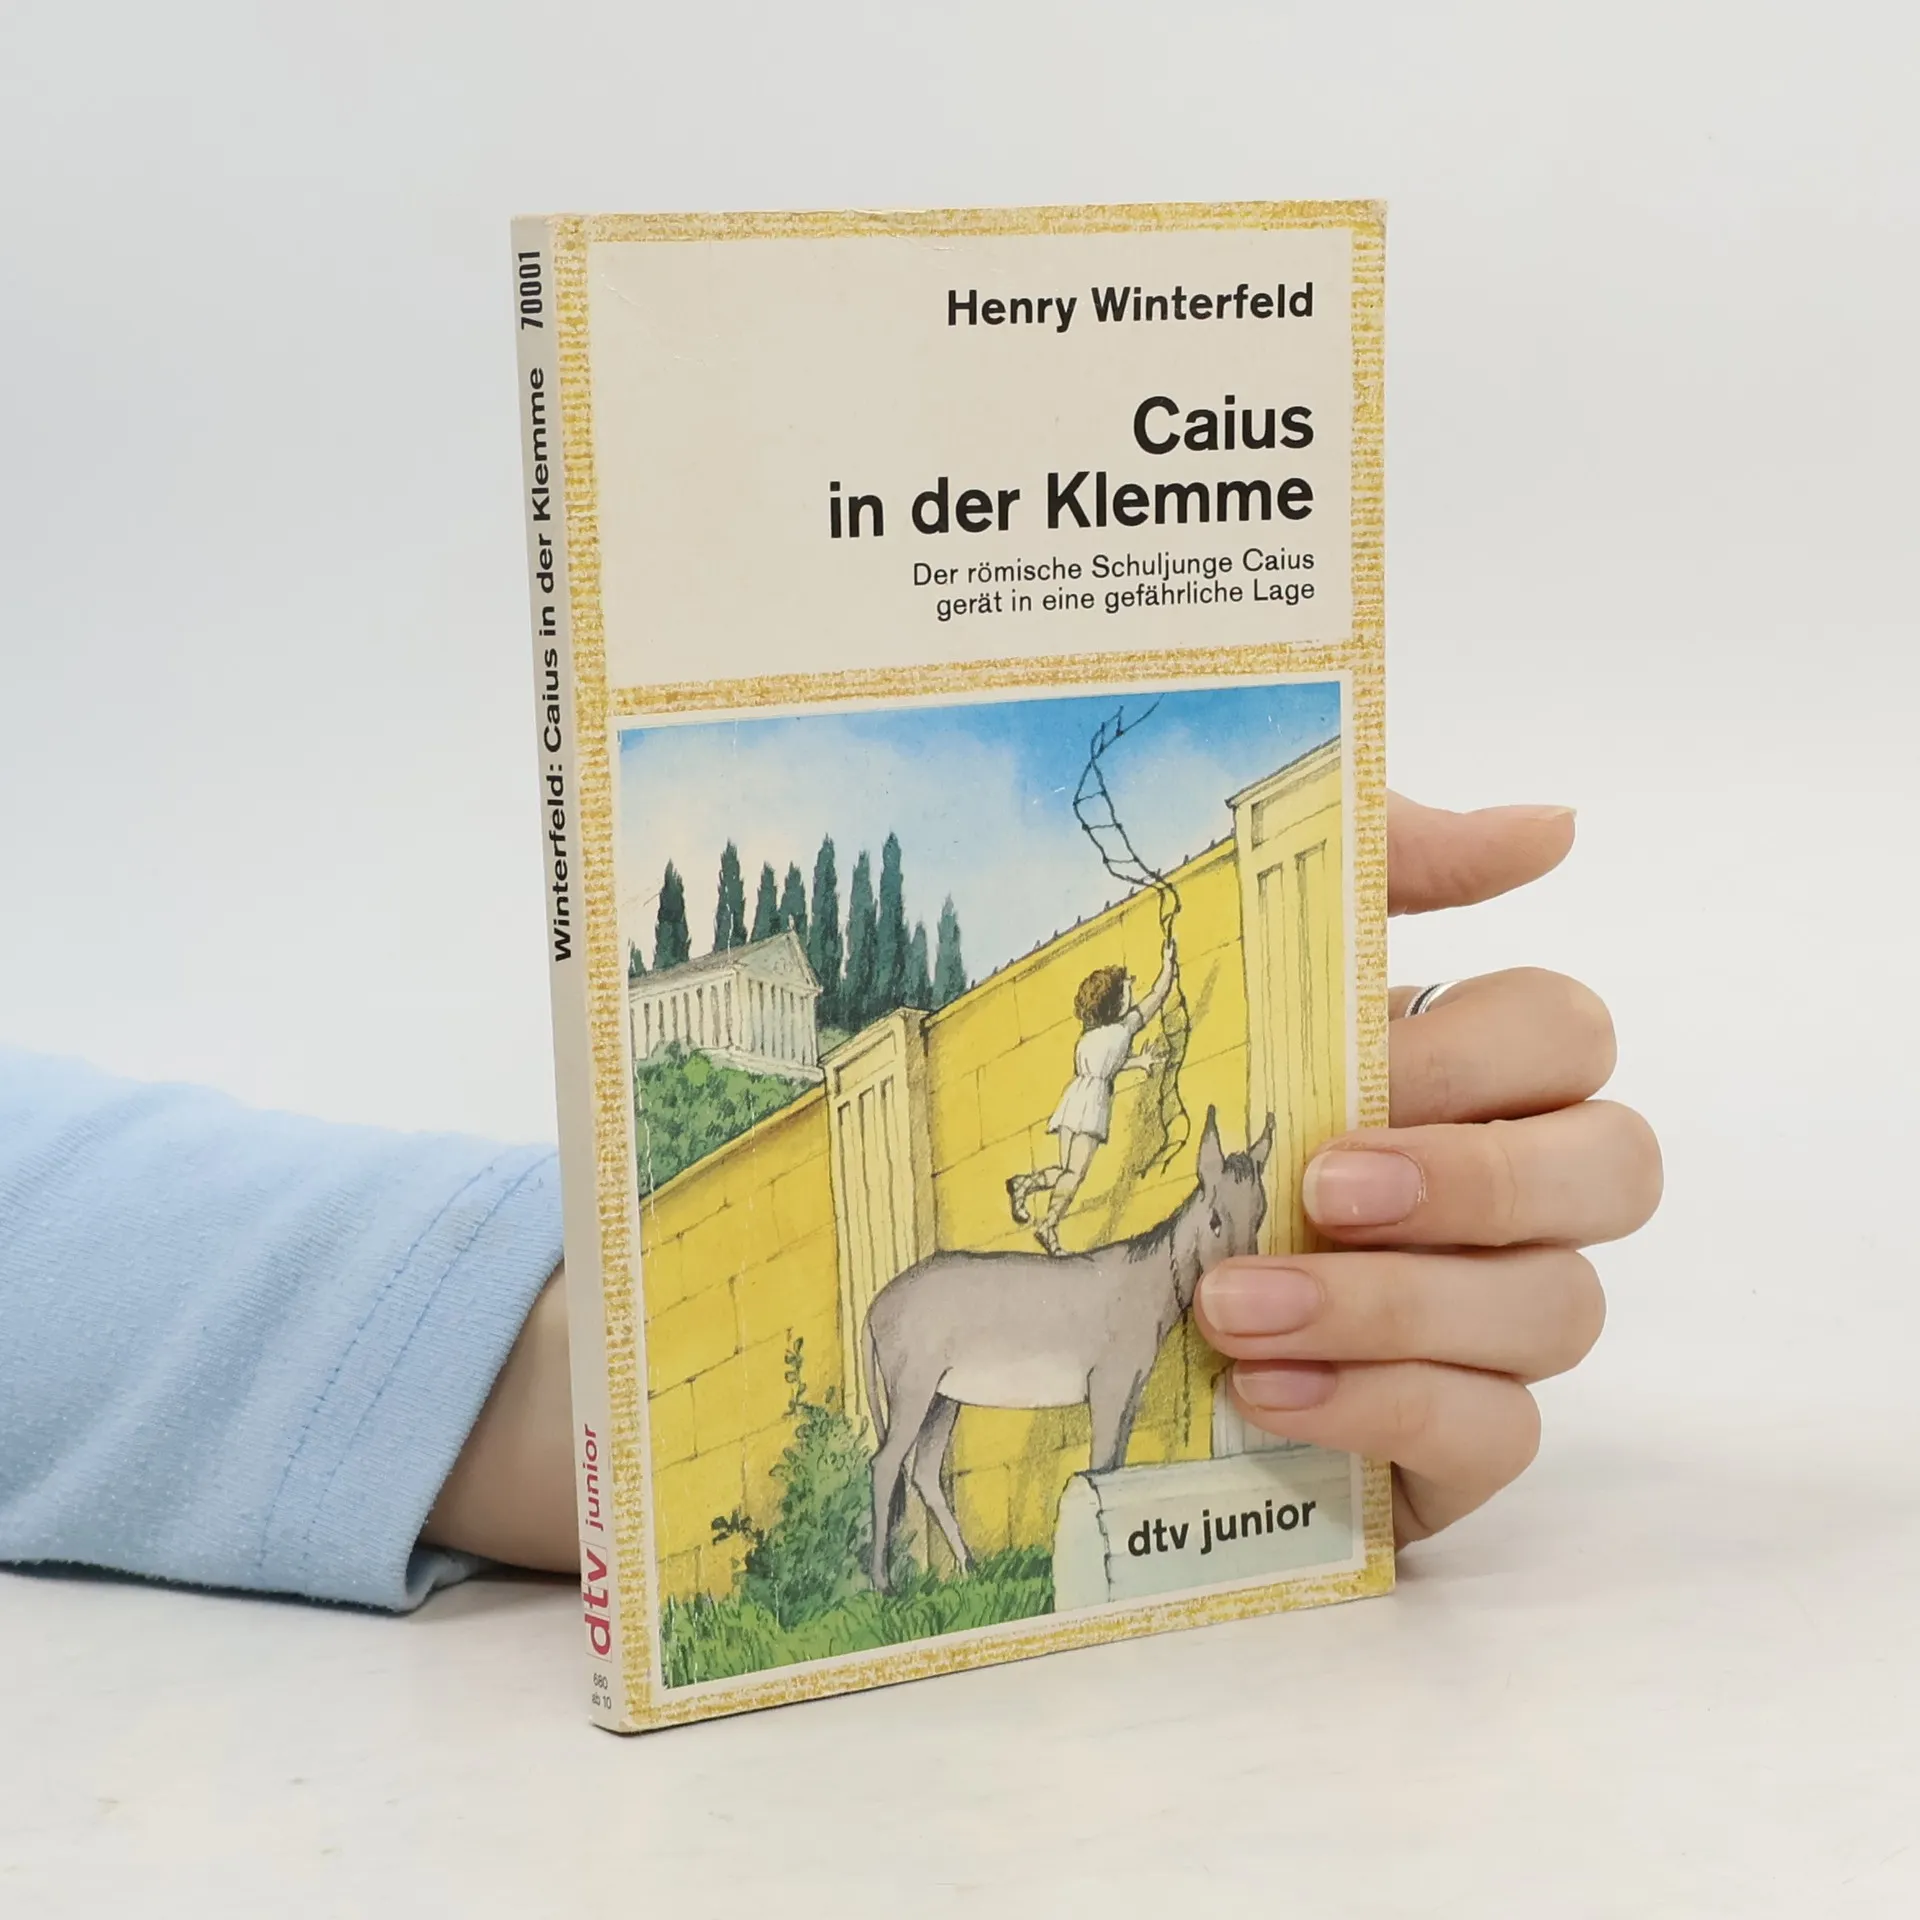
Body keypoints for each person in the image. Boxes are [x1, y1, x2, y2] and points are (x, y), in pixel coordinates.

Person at [0, 796, 1661, 1604]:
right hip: (1043, 1220)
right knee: (942, 1396)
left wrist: (533, 1376)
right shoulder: (1099, 1108)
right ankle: (921, 1532)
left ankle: (934, 1532)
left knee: (1028, 1297)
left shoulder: (1132, 1135)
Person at [1008, 932, 1178, 1254]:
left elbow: (1106, 1064)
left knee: (1066, 1169)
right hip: (1093, 1104)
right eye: (1127, 988)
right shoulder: (1124, 1028)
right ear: (1117, 1003)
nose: (1132, 991)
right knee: (1075, 1174)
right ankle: (1049, 1225)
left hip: (1074, 1098)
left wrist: (1137, 1061)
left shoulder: (1090, 1036)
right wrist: (1168, 965)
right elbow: (1158, 995)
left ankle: (1024, 1184)